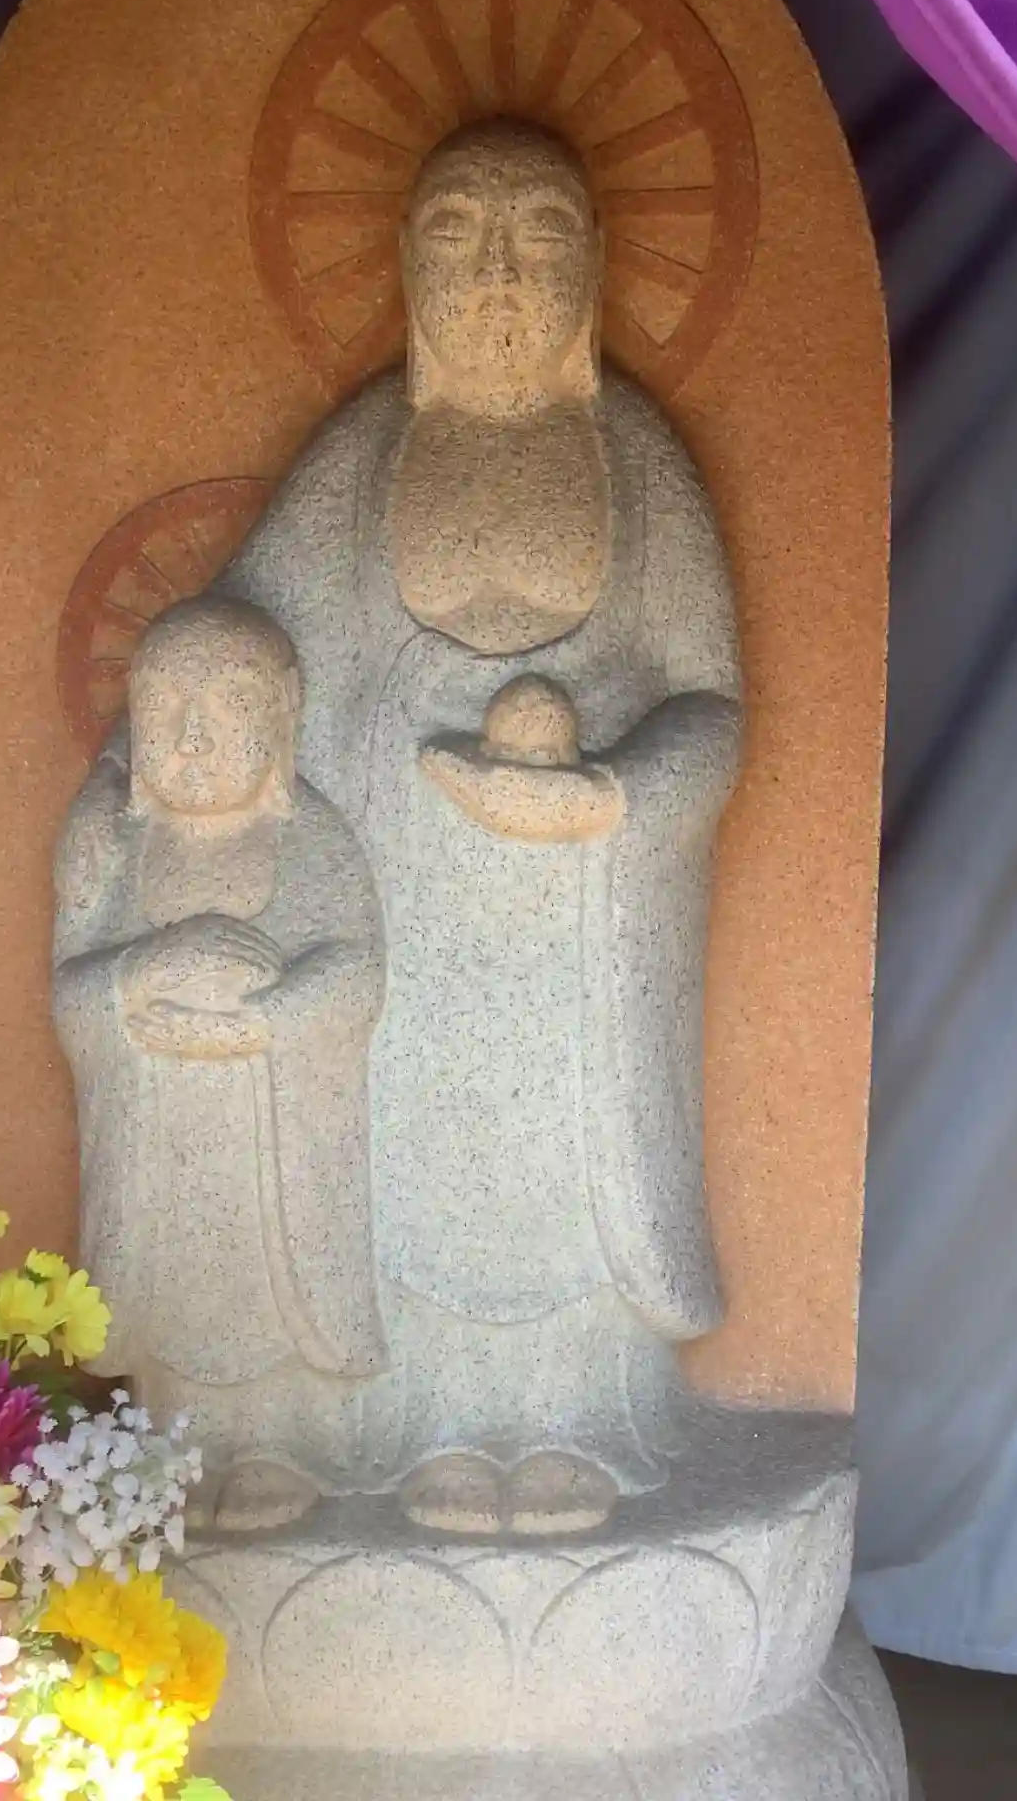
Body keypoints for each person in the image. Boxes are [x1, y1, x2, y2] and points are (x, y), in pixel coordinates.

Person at [221, 117, 743, 1535]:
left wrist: (611, 798)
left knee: (563, 1171)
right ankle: (427, 1429)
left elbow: (710, 705)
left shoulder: (637, 461)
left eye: (540, 237)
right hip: (400, 900)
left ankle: (578, 1420)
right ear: (404, 263)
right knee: (408, 1159)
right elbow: (244, 658)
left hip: (586, 926)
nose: (499, 276)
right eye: (459, 236)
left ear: (597, 265)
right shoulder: (359, 460)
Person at [53, 596, 385, 1531]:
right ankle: (172, 1440)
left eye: (228, 705)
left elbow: (357, 969)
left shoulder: (312, 838)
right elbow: (71, 990)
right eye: (165, 709)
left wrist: (270, 1023)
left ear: (282, 715)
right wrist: (141, 971)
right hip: (156, 1133)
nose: (192, 739)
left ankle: (280, 1444)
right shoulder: (116, 849)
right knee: (172, 1290)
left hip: (274, 1132)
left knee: (264, 1286)